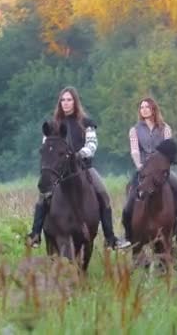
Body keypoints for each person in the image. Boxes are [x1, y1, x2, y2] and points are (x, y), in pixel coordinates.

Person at [27, 87, 131, 249]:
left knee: (103, 195)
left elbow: (92, 144)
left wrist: (78, 154)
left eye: (69, 100)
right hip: (60, 171)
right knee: (43, 195)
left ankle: (111, 239)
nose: (66, 103)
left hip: (83, 168)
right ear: (59, 103)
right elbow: (47, 146)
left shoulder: (86, 123)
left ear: (75, 102)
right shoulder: (53, 125)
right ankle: (35, 234)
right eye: (63, 100)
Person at [121, 97, 177, 252]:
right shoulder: (134, 130)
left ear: (154, 109)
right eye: (141, 107)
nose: (144, 109)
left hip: (161, 171)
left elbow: (168, 149)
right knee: (128, 205)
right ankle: (127, 237)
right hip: (143, 169)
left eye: (147, 107)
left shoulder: (165, 128)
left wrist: (164, 167)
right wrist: (140, 166)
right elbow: (134, 150)